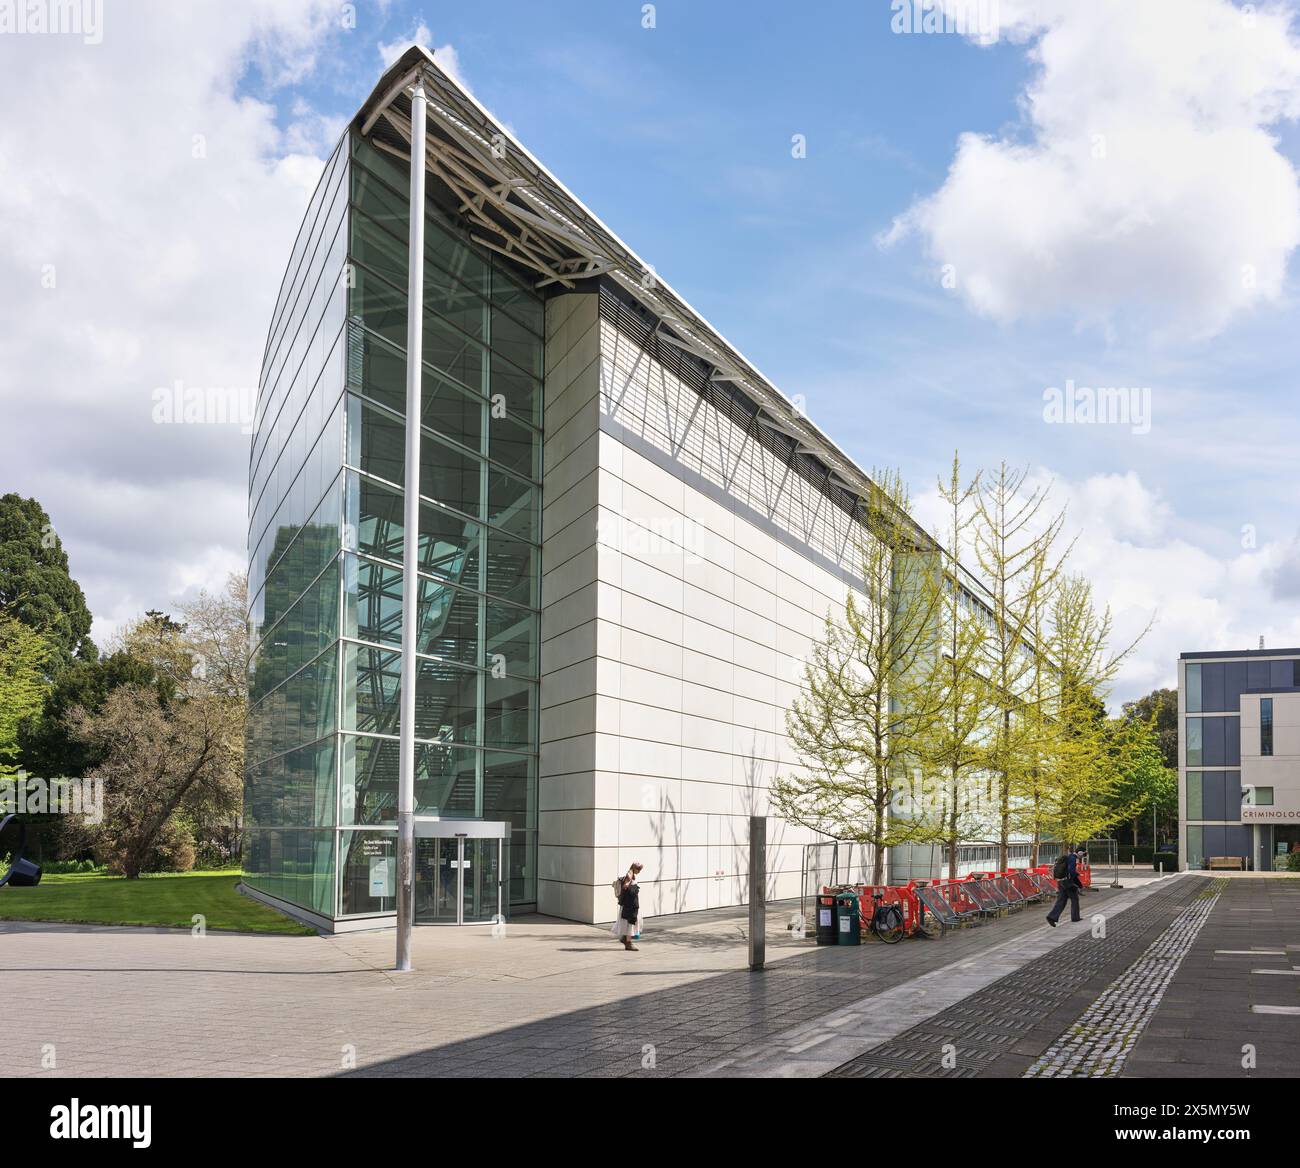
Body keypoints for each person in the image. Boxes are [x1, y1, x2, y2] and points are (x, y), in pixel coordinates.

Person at [1046, 847, 1083, 927]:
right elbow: (1071, 871)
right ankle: (1075, 917)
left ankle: (1052, 917)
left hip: (1061, 881)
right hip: (1068, 882)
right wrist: (1077, 876)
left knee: (1061, 900)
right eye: (1083, 854)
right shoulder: (1073, 858)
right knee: (1074, 899)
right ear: (1080, 853)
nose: (1083, 856)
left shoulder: (1068, 857)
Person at [611, 862, 644, 951]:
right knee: (630, 921)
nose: (639, 871)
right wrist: (632, 887)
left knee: (631, 921)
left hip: (631, 904)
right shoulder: (629, 875)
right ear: (635, 868)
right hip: (629, 904)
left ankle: (626, 939)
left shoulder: (631, 874)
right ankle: (628, 943)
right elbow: (625, 886)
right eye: (639, 869)